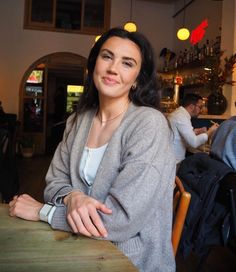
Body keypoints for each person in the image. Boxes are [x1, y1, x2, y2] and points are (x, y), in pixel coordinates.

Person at [8, 27, 176, 272]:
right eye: (107, 56)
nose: (113, 68)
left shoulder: (149, 124)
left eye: (127, 63)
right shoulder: (79, 120)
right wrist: (72, 196)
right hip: (77, 247)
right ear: (94, 64)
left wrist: (44, 212)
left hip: (130, 259)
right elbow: (54, 181)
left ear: (138, 79)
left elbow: (120, 221)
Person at [168, 93, 219, 164]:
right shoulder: (181, 117)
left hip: (172, 159)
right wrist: (210, 131)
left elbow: (179, 137)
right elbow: (194, 143)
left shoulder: (179, 113)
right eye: (200, 107)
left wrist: (196, 131)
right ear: (192, 106)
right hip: (174, 162)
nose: (201, 110)